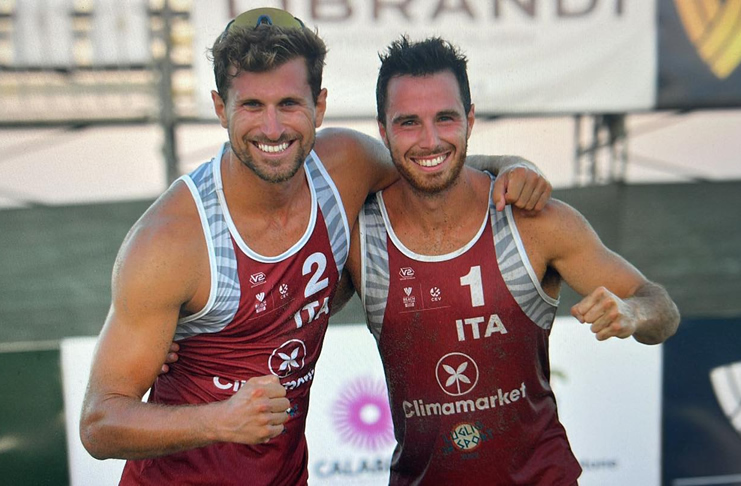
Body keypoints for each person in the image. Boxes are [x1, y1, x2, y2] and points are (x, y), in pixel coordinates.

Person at [78, 8, 552, 486]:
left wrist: (515, 165)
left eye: (289, 104)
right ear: (221, 109)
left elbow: (428, 163)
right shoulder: (172, 239)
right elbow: (99, 423)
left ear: (319, 106)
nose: (272, 128)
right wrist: (219, 420)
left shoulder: (344, 166)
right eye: (251, 106)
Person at [335, 36, 681, 485]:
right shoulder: (361, 236)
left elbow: (662, 309)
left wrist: (633, 312)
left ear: (470, 119)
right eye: (408, 123)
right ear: (383, 133)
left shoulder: (533, 221)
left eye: (446, 118)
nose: (430, 138)